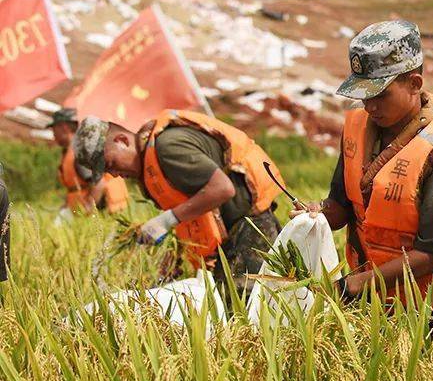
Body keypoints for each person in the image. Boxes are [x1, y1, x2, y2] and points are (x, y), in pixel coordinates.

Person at [300, 20, 433, 305]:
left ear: (414, 84)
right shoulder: (357, 126)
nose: (370, 106)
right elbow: (341, 206)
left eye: (379, 95)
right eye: (364, 95)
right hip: (374, 297)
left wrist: (352, 287)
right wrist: (315, 215)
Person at [71, 111, 285, 301]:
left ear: (122, 140)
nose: (115, 174)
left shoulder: (168, 148)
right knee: (221, 306)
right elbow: (190, 211)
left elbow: (222, 189)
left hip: (249, 228)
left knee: (247, 304)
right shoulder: (149, 169)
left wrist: (166, 221)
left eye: (111, 164)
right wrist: (175, 255)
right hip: (228, 237)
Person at [49, 108, 129, 216]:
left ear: (64, 127)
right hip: (95, 213)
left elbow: (99, 184)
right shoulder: (75, 149)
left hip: (105, 214)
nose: (53, 133)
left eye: (53, 129)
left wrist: (88, 210)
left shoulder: (80, 152)